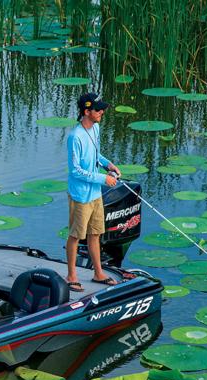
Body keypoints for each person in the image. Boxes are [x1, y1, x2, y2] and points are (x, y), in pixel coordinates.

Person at [65, 92, 122, 292]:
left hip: (95, 193)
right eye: (98, 110)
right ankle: (71, 276)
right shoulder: (75, 137)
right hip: (80, 195)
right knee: (75, 235)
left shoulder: (95, 128)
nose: (102, 112)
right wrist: (103, 179)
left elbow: (96, 155)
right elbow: (76, 171)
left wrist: (108, 165)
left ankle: (98, 273)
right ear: (86, 111)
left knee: (95, 233)